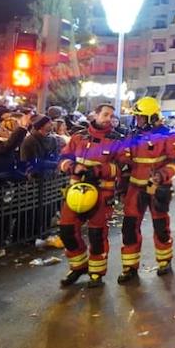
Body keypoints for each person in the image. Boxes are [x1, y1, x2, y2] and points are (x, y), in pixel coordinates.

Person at [56, 104, 120, 287]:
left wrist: (99, 171)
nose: (109, 118)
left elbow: (124, 167)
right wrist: (72, 167)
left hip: (101, 194)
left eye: (111, 115)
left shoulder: (117, 140)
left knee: (97, 235)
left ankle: (96, 272)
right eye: (105, 114)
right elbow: (63, 158)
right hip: (76, 193)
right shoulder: (78, 137)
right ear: (95, 115)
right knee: (67, 231)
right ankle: (79, 266)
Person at [119, 97, 175, 280]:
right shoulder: (132, 136)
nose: (137, 121)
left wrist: (161, 176)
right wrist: (122, 188)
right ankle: (130, 267)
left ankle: (164, 261)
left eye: (141, 118)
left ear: (152, 117)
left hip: (157, 188)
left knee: (161, 226)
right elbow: (125, 163)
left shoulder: (168, 136)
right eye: (137, 117)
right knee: (129, 228)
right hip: (135, 188)